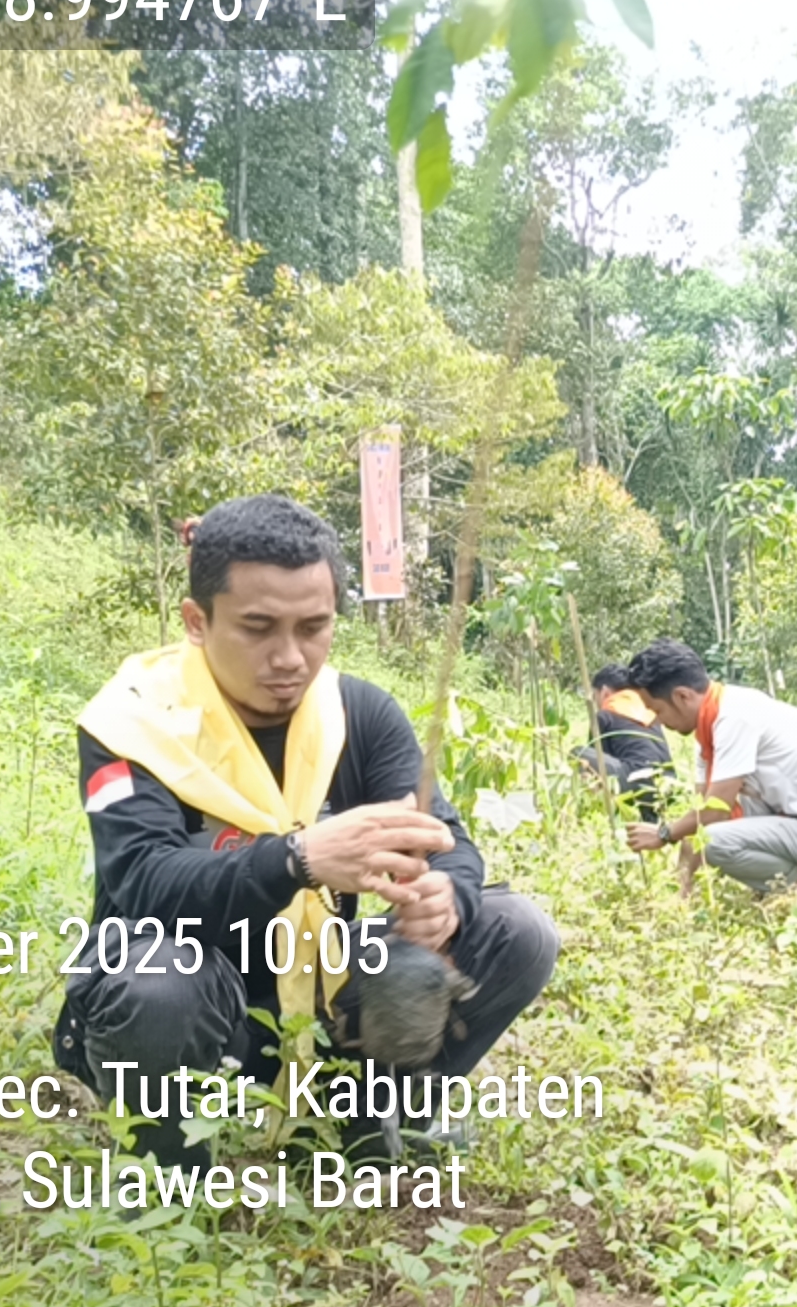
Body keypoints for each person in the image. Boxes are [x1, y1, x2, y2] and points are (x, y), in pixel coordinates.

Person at [52, 495, 559, 1165]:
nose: (290, 657)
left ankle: (373, 1119)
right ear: (197, 622)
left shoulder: (358, 714)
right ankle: (164, 1170)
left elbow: (443, 838)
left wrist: (446, 895)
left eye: (314, 627)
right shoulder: (134, 724)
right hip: (200, 999)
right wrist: (297, 858)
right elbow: (144, 884)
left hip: (321, 998)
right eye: (258, 628)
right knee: (159, 980)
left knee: (517, 930)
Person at [619, 639, 797, 914]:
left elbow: (712, 815)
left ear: (682, 696)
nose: (657, 721)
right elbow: (701, 813)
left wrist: (664, 833)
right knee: (717, 829)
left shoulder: (735, 717)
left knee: (714, 840)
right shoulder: (710, 731)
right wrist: (680, 895)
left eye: (657, 710)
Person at [573, 664, 673, 820]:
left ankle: (599, 813)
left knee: (578, 754)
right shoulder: (648, 709)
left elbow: (599, 760)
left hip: (635, 782)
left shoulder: (605, 716)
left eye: (595, 696)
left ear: (605, 692)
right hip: (667, 785)